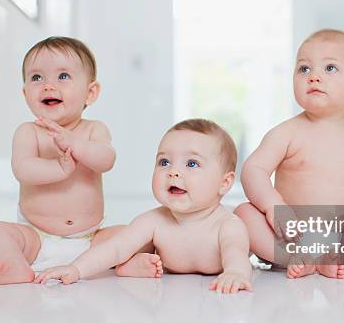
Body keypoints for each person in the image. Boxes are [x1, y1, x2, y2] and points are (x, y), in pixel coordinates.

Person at [234, 29, 344, 279]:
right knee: (243, 214)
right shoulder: (286, 133)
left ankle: (339, 263)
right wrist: (274, 206)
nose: (314, 76)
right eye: (304, 69)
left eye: (330, 68)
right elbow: (253, 170)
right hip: (290, 235)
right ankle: (293, 258)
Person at [35, 119, 253, 294]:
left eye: (192, 164)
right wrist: (76, 269)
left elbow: (236, 255)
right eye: (164, 162)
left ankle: (283, 258)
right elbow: (116, 247)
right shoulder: (155, 221)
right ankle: (132, 266)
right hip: (170, 304)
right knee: (123, 241)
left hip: (206, 313)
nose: (173, 172)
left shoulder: (228, 225)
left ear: (224, 183)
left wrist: (235, 273)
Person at [0, 36, 117, 284]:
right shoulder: (28, 131)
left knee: (135, 235)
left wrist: (77, 146)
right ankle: (15, 265)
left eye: (63, 76)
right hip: (37, 237)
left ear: (90, 92)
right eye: (36, 78)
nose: (48, 85)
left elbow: (106, 160)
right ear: (25, 93)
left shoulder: (93, 130)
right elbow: (22, 169)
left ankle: (130, 262)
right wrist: (59, 167)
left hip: (89, 240)